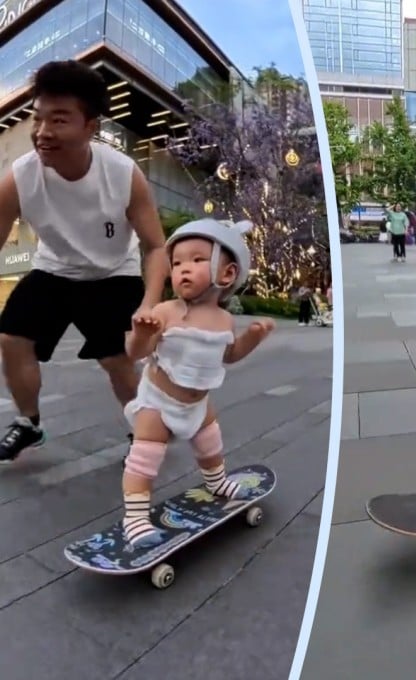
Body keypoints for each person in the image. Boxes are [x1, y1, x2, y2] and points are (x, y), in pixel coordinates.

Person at [0, 60, 169, 463]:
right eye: (38, 119)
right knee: (11, 338)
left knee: (116, 360)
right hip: (54, 269)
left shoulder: (123, 174)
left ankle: (144, 433)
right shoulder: (19, 178)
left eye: (59, 120)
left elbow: (156, 247)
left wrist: (149, 304)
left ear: (90, 127)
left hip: (113, 272)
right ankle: (28, 423)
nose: (43, 132)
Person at [121, 218, 274, 547]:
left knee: (211, 445)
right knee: (144, 459)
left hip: (198, 404)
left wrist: (252, 338)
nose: (183, 269)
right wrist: (142, 335)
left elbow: (229, 355)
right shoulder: (165, 312)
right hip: (157, 403)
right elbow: (135, 353)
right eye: (177, 263)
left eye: (196, 259)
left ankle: (216, 481)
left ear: (227, 274)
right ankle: (135, 517)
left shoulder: (225, 319)